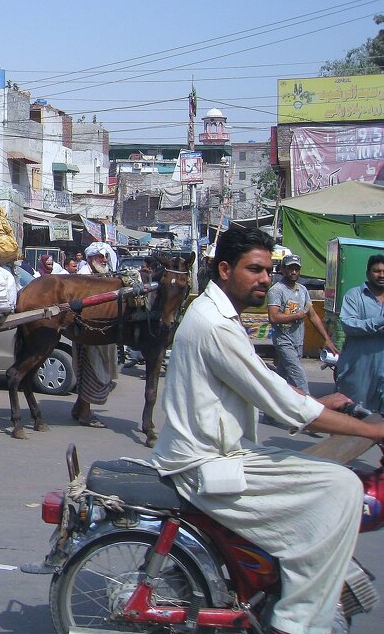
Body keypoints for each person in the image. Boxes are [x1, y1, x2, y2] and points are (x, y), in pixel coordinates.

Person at [150, 227, 384, 634]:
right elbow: (288, 406)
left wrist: (322, 401)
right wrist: (375, 432)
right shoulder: (215, 325)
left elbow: (262, 382)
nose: (265, 279)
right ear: (225, 269)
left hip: (218, 451)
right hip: (207, 462)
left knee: (321, 478)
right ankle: (298, 621)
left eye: (268, 270)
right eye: (255, 269)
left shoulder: (217, 313)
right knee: (342, 487)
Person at [267, 253, 337, 392]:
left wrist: (327, 339)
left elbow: (312, 315)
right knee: (299, 377)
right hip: (283, 341)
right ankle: (310, 410)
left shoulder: (302, 290)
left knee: (283, 378)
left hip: (298, 342)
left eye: (296, 269)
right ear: (282, 269)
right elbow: (273, 317)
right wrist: (296, 316)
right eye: (290, 268)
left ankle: (274, 411)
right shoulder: (277, 290)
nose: (293, 272)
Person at [70, 242, 120, 427]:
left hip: (101, 330)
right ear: (90, 259)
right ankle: (85, 413)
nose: (104, 259)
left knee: (90, 369)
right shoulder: (84, 278)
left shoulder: (103, 276)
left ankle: (79, 408)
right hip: (88, 331)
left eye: (105, 256)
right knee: (91, 369)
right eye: (100, 257)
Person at [334, 253, 384, 413]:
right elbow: (349, 324)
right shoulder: (354, 296)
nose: (381, 275)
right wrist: (379, 321)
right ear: (368, 273)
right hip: (358, 369)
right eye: (377, 271)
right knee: (351, 417)